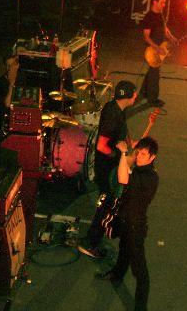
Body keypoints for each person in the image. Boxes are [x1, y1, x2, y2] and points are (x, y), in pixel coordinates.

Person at [78, 80, 138, 258]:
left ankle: (93, 238)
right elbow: (102, 146)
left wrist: (129, 145)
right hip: (107, 170)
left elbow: (121, 132)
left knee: (106, 203)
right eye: (134, 93)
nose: (136, 96)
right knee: (106, 205)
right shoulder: (113, 115)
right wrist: (118, 154)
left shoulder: (115, 107)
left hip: (109, 167)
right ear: (128, 96)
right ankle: (90, 242)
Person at [108, 136, 159, 311]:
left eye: (144, 154)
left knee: (140, 272)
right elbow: (129, 166)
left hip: (135, 226)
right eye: (139, 153)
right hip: (128, 221)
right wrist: (131, 151)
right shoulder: (142, 170)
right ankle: (116, 274)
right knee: (123, 249)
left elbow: (122, 178)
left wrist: (124, 153)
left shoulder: (148, 177)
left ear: (153, 157)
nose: (139, 157)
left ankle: (140, 307)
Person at [139, 0, 177, 107]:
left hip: (159, 47)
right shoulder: (149, 17)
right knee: (155, 74)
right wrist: (157, 48)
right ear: (154, 2)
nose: (164, 5)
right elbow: (146, 37)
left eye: (164, 3)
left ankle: (144, 92)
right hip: (152, 50)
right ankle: (153, 99)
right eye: (162, 2)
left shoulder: (160, 14)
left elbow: (164, 28)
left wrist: (171, 37)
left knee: (152, 71)